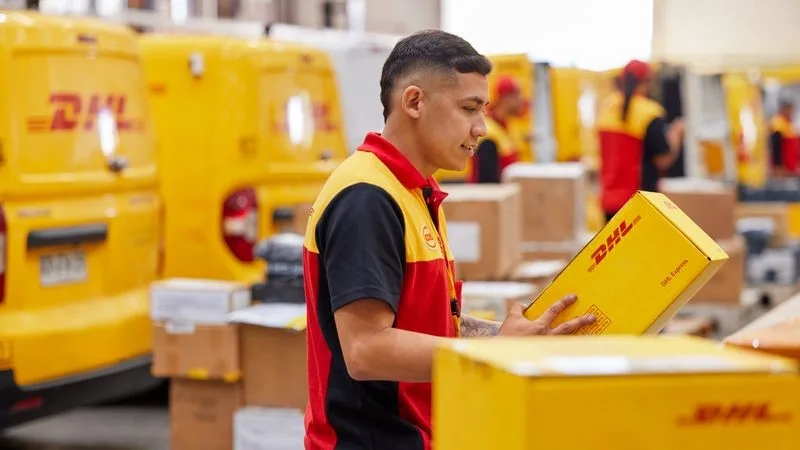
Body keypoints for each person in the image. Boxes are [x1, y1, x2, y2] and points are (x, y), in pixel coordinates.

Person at [301, 30, 596, 450]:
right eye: (469, 109)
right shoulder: (367, 198)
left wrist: (507, 337)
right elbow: (366, 349)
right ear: (414, 102)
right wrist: (494, 354)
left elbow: (430, 326)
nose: (482, 128)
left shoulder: (411, 192)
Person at [597, 60, 685, 222]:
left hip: (609, 201)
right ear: (647, 81)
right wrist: (676, 135)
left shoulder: (607, 107)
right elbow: (663, 160)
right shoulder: (649, 113)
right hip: (638, 202)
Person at [468, 75, 528, 183]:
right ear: (506, 98)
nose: (522, 100)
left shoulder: (507, 127)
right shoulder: (488, 132)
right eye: (517, 95)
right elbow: (487, 183)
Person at [769, 98, 800, 177]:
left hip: (791, 168)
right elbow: (776, 148)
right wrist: (778, 166)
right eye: (788, 109)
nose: (790, 112)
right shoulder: (777, 123)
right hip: (782, 169)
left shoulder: (789, 124)